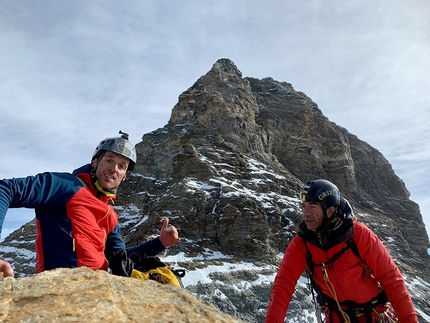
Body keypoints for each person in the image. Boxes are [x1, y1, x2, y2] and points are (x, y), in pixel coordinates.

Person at [0, 131, 180, 277]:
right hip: (58, 290)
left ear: (124, 176)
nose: (114, 169)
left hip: (98, 293)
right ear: (95, 162)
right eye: (109, 160)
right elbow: (6, 189)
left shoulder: (110, 214)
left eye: (121, 166)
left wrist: (160, 243)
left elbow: (121, 258)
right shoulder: (64, 186)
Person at [265, 179, 418, 323]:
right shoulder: (302, 243)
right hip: (336, 317)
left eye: (312, 206)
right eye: (303, 206)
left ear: (330, 210)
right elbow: (284, 285)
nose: (306, 214)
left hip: (373, 315)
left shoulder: (358, 234)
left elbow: (391, 279)